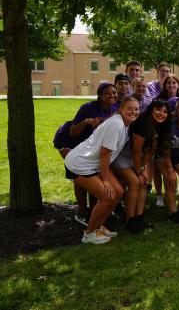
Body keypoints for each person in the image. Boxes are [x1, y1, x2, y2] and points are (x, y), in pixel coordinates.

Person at [64, 96, 139, 244]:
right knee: (107, 197)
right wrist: (105, 180)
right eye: (129, 108)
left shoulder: (125, 123)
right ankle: (89, 233)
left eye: (136, 109)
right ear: (121, 109)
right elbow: (105, 155)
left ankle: (99, 227)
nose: (133, 112)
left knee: (118, 192)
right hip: (80, 164)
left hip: (93, 164)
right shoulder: (116, 124)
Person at [112, 99, 171, 233]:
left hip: (136, 159)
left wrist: (142, 169)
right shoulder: (142, 123)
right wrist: (139, 172)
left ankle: (139, 217)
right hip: (122, 156)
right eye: (158, 109)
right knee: (135, 182)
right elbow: (136, 151)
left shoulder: (159, 126)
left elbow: (150, 151)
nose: (161, 113)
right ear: (151, 109)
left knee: (143, 183)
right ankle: (129, 220)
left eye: (165, 111)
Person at [66, 82, 118, 225]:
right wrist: (86, 122)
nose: (111, 95)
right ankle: (82, 212)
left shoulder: (116, 109)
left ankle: (95, 212)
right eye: (107, 93)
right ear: (100, 96)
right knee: (81, 181)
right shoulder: (88, 108)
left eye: (114, 92)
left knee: (97, 185)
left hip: (100, 152)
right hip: (83, 151)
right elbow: (72, 132)